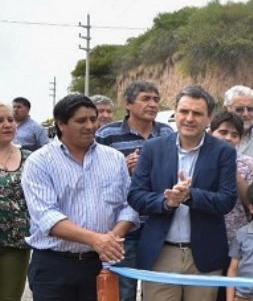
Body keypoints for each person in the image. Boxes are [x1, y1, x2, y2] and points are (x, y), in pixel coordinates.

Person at [22, 94, 138, 300]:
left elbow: (129, 205)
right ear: (61, 124)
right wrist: (96, 240)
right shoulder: (39, 162)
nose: (90, 126)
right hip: (54, 266)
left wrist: (110, 240)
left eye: (93, 119)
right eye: (81, 121)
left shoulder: (114, 159)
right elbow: (47, 217)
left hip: (100, 264)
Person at [128, 85, 237, 301]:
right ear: (175, 113)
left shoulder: (223, 152)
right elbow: (136, 196)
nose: (189, 118)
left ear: (208, 118)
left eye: (197, 113)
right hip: (161, 253)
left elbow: (227, 200)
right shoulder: (152, 148)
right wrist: (167, 202)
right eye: (184, 111)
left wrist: (190, 196)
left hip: (204, 255)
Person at [95, 80, 174, 301]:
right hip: (123, 230)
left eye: (156, 99)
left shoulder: (167, 133)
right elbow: (95, 177)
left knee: (158, 292)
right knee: (123, 292)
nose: (153, 104)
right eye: (146, 98)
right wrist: (123, 167)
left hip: (159, 227)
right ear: (128, 104)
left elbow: (176, 172)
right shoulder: (107, 134)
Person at [0, 102, 32, 301]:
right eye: (0, 121)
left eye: (10, 120)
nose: (7, 124)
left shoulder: (30, 159)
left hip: (16, 243)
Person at [210, 111, 253, 248]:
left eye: (234, 135)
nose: (228, 138)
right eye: (223, 132)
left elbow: (251, 203)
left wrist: (231, 166)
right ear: (211, 132)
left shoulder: (247, 164)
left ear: (240, 139)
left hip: (237, 238)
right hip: (206, 235)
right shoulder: (201, 159)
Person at [224, 85, 253, 161]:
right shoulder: (212, 135)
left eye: (251, 109)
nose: (245, 114)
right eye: (239, 109)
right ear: (226, 109)